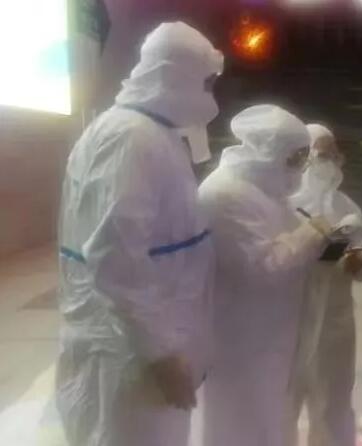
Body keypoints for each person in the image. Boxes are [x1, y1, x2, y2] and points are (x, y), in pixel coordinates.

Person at [56, 22, 223, 446]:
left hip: (141, 349)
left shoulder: (153, 134)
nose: (210, 95)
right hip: (127, 357)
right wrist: (160, 353)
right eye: (205, 82)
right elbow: (114, 258)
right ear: (177, 75)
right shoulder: (131, 138)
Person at [193, 105, 333, 446]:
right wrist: (310, 235)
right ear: (270, 153)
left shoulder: (266, 190)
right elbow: (262, 267)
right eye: (295, 158)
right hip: (238, 343)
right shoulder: (225, 194)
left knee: (268, 425)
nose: (301, 167)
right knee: (235, 429)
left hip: (268, 339)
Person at [288, 124, 362, 446]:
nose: (332, 161)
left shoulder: (346, 206)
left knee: (333, 410)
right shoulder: (283, 203)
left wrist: (361, 261)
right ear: (304, 157)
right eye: (323, 154)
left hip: (334, 326)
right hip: (290, 324)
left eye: (334, 154)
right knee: (283, 409)